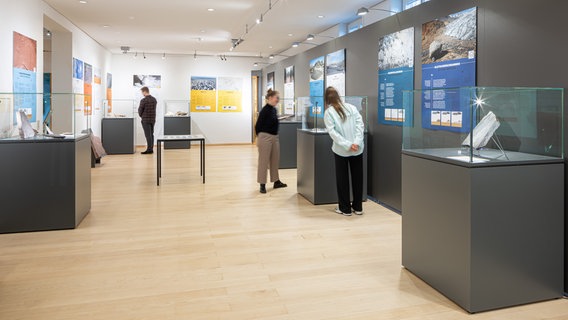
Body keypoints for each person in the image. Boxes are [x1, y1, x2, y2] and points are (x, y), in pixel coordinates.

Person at [323, 87, 365, 216]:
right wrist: (356, 143)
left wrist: (347, 145)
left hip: (341, 150)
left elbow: (333, 133)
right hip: (357, 149)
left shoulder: (329, 112)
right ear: (338, 96)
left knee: (342, 179)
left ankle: (345, 208)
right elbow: (360, 125)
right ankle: (358, 207)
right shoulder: (351, 107)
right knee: (358, 178)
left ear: (327, 99)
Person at [255, 89, 287, 194]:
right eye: (276, 97)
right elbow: (258, 126)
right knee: (263, 161)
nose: (278, 100)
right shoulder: (265, 110)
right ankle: (262, 184)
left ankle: (276, 181)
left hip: (274, 137)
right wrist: (258, 137)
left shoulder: (274, 109)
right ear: (270, 98)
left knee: (275, 160)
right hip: (265, 137)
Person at [138, 86, 157, 154]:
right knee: (151, 134)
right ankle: (151, 149)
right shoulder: (154, 99)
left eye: (142, 92)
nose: (142, 93)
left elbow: (140, 111)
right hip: (152, 120)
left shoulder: (143, 100)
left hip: (145, 120)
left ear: (144, 92)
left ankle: (149, 150)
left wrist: (142, 116)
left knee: (147, 135)